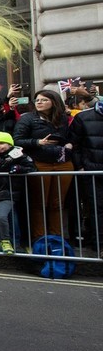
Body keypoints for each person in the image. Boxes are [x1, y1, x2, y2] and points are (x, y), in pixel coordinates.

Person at [13, 89, 74, 241]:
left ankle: (56, 238)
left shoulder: (63, 119)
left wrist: (69, 144)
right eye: (37, 100)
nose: (39, 102)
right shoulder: (27, 119)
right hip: (40, 163)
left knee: (57, 203)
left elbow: (70, 137)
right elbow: (17, 140)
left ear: (54, 102)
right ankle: (40, 238)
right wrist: (38, 142)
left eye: (43, 100)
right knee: (39, 203)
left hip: (63, 162)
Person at [69, 95, 103, 250]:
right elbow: (74, 145)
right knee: (97, 208)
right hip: (92, 170)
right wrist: (81, 166)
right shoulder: (82, 117)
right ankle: (99, 244)